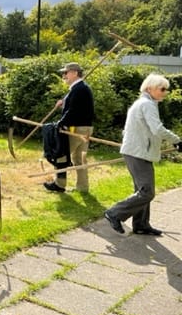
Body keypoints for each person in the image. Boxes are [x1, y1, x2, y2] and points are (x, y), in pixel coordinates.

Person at [104, 73, 181, 236]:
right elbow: (157, 129)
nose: (164, 92)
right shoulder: (147, 104)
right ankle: (114, 213)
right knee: (147, 192)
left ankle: (141, 224)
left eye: (166, 89)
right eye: (162, 89)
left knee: (142, 190)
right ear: (149, 88)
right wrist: (177, 141)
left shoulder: (144, 103)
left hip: (137, 151)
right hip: (138, 153)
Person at [44, 62, 94, 193]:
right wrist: (64, 101)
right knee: (79, 159)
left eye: (66, 73)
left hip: (76, 129)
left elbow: (73, 111)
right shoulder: (81, 88)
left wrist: (60, 123)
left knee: (61, 155)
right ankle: (83, 187)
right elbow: (76, 107)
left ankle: (59, 185)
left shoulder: (78, 89)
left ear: (75, 73)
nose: (63, 75)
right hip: (86, 128)